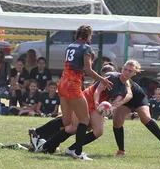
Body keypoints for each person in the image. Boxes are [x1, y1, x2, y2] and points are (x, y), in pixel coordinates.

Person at [35, 25, 112, 160]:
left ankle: (39, 134)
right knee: (84, 120)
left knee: (67, 120)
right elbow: (88, 70)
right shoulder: (86, 48)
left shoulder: (71, 46)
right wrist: (102, 80)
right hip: (73, 85)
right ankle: (77, 152)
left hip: (62, 83)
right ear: (89, 36)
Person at [111, 60, 160, 156]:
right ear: (122, 69)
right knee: (116, 122)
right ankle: (121, 150)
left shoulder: (127, 82)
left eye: (130, 71)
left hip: (138, 98)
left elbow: (129, 95)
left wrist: (117, 104)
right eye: (125, 69)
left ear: (134, 73)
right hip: (124, 101)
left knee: (145, 118)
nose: (126, 72)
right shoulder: (115, 77)